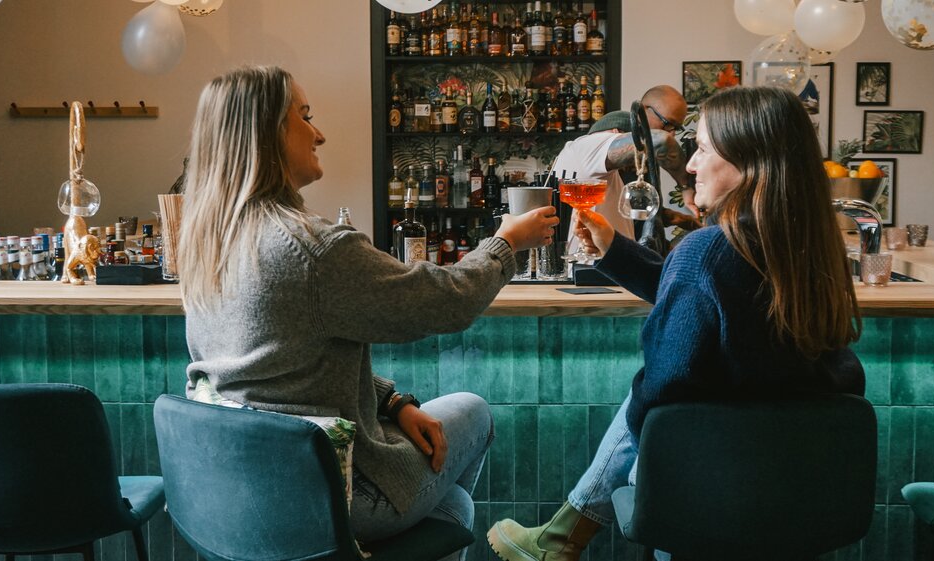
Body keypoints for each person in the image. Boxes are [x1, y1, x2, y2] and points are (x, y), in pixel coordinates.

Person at [177, 66, 559, 561]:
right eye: (305, 116)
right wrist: (508, 241)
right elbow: (448, 300)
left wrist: (393, 401)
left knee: (453, 507)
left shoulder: (207, 244)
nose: (320, 133)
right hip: (333, 502)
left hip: (236, 501)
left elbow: (279, 367)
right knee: (473, 418)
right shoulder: (312, 251)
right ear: (267, 129)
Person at [487, 86, 865, 561]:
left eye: (703, 149)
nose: (689, 164)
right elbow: (709, 292)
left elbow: (665, 387)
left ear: (749, 162)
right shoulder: (810, 252)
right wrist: (614, 252)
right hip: (804, 494)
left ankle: (565, 533)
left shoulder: (706, 251)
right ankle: (561, 535)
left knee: (648, 397)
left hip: (704, 492)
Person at [551, 84, 696, 254]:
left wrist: (682, 220)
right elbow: (661, 141)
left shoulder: (611, 178)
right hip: (588, 272)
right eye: (667, 125)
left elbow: (632, 216)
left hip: (613, 271)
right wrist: (687, 186)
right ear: (616, 134)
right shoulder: (586, 148)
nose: (671, 134)